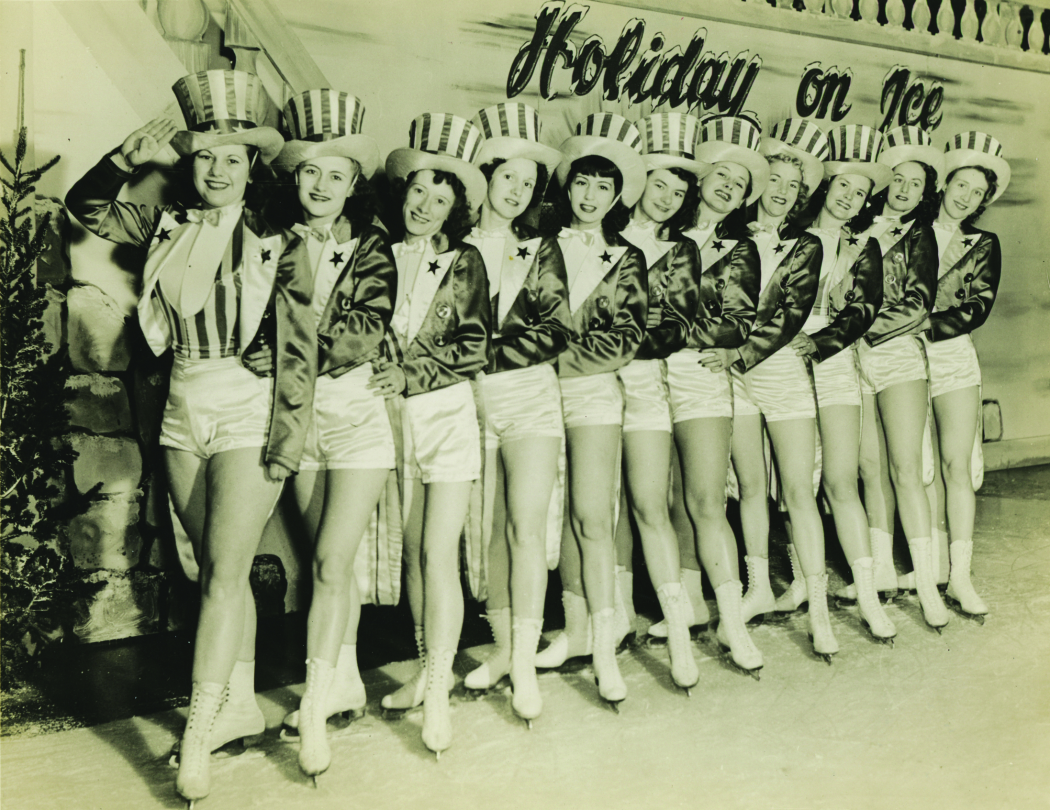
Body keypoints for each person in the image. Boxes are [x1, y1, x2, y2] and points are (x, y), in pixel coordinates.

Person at [65, 70, 315, 806]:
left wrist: (287, 440)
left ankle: (200, 731)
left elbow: (299, 353)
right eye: (205, 155)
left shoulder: (280, 239)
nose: (216, 168)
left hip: (248, 405)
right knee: (211, 571)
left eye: (232, 157)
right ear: (190, 161)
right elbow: (86, 207)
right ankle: (237, 702)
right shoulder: (167, 226)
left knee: (228, 572)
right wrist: (125, 159)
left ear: (252, 168)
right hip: (182, 408)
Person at [249, 89, 396, 781]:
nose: (321, 185)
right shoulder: (269, 245)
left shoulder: (375, 250)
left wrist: (283, 345)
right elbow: (251, 332)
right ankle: (342, 680)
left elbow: (358, 335)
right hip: (300, 418)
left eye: (336, 174)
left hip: (358, 416)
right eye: (310, 171)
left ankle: (312, 713)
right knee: (323, 563)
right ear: (295, 176)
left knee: (335, 562)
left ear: (353, 184)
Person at [378, 113, 490, 757]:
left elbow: (473, 345)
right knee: (413, 548)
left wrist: (407, 372)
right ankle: (428, 668)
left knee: (438, 551)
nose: (425, 206)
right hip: (390, 421)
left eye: (441, 198)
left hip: (445, 415)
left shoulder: (464, 260)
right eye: (419, 191)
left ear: (455, 209)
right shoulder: (374, 253)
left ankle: (442, 694)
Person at [460, 102, 572, 726]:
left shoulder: (540, 249)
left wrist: (483, 353)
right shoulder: (451, 245)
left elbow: (555, 327)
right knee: (487, 528)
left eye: (529, 183)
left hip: (528, 397)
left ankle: (526, 664)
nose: (518, 190)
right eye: (509, 177)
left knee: (527, 525)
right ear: (486, 175)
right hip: (464, 402)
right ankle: (505, 650)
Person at [779, 124, 910, 650]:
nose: (850, 198)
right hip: (781, 360)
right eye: (843, 187)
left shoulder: (864, 246)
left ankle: (871, 597)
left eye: (860, 193)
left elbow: (862, 311)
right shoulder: (789, 238)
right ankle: (803, 589)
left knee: (839, 479)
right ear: (825, 187)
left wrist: (822, 342)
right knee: (787, 484)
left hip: (831, 361)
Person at [533, 113, 647, 711]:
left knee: (592, 517)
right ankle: (573, 629)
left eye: (604, 187)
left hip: (592, 393)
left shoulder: (627, 258)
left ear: (617, 195)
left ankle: (604, 645)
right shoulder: (540, 247)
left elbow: (626, 336)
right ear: (567, 185)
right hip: (535, 395)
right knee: (550, 514)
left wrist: (558, 364)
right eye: (582, 183)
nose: (590, 196)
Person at [614, 112, 707, 692]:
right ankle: (614, 614)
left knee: (650, 503)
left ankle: (676, 631)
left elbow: (672, 326)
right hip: (587, 389)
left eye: (680, 191)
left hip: (645, 381)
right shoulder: (600, 235)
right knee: (602, 510)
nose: (669, 199)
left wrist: (611, 340)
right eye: (660, 185)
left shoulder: (682, 251)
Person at [722, 119, 827, 633]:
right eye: (776, 181)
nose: (783, 193)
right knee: (750, 486)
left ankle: (821, 609)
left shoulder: (807, 246)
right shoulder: (729, 234)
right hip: (734, 377)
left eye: (794, 185)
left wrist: (737, 355)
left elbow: (789, 316)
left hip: (779, 370)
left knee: (798, 489)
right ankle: (758, 586)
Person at [837, 127, 942, 619]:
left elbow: (918, 303)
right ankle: (879, 570)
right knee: (869, 469)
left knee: (905, 468)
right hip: (848, 358)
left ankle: (927, 585)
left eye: (915, 183)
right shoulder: (852, 229)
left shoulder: (920, 234)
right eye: (896, 179)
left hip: (895, 354)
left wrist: (860, 329)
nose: (902, 189)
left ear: (925, 194)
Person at [676, 115, 764, 676]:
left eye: (741, 182)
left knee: (708, 500)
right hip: (639, 377)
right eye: (722, 174)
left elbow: (737, 324)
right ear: (701, 176)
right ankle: (684, 606)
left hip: (699, 373)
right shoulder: (656, 231)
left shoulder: (742, 248)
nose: (730, 186)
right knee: (664, 502)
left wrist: (673, 334)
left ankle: (731, 624)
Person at [922, 131, 1010, 622]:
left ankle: (960, 575)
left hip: (952, 356)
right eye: (962, 185)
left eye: (978, 193)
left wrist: (926, 326)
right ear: (945, 182)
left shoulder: (984, 243)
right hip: (904, 360)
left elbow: (977, 307)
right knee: (920, 467)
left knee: (957, 466)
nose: (967, 197)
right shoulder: (910, 231)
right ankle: (929, 567)